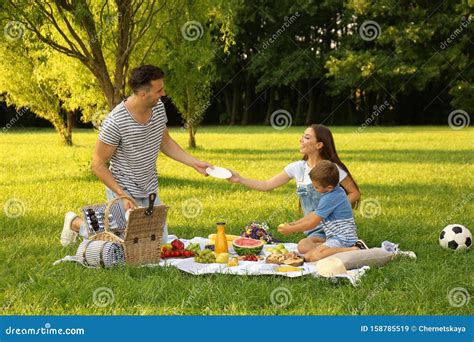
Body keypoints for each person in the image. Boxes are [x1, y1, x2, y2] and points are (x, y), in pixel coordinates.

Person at [60, 65, 212, 246]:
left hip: (149, 189)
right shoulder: (115, 122)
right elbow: (98, 164)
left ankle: (84, 225)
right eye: (159, 90)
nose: (163, 94)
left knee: (157, 245)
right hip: (122, 188)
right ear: (142, 94)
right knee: (123, 245)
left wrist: (194, 162)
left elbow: (165, 142)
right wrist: (122, 195)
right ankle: (75, 223)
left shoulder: (158, 108)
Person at [228, 124, 361, 252]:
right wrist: (240, 179)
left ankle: (342, 248)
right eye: (302, 136)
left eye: (307, 137)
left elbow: (354, 192)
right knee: (303, 247)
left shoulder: (332, 170)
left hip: (332, 227)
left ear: (319, 145)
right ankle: (336, 249)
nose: (301, 139)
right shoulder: (297, 168)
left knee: (308, 250)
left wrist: (333, 207)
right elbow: (267, 185)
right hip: (312, 229)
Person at [277, 161, 366, 262]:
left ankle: (354, 249)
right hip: (332, 237)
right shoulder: (335, 191)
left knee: (315, 256)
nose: (314, 189)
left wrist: (291, 229)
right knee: (303, 245)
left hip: (343, 239)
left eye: (316, 187)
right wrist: (293, 224)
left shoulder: (331, 197)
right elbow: (313, 214)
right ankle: (326, 249)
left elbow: (312, 223)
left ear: (329, 188)